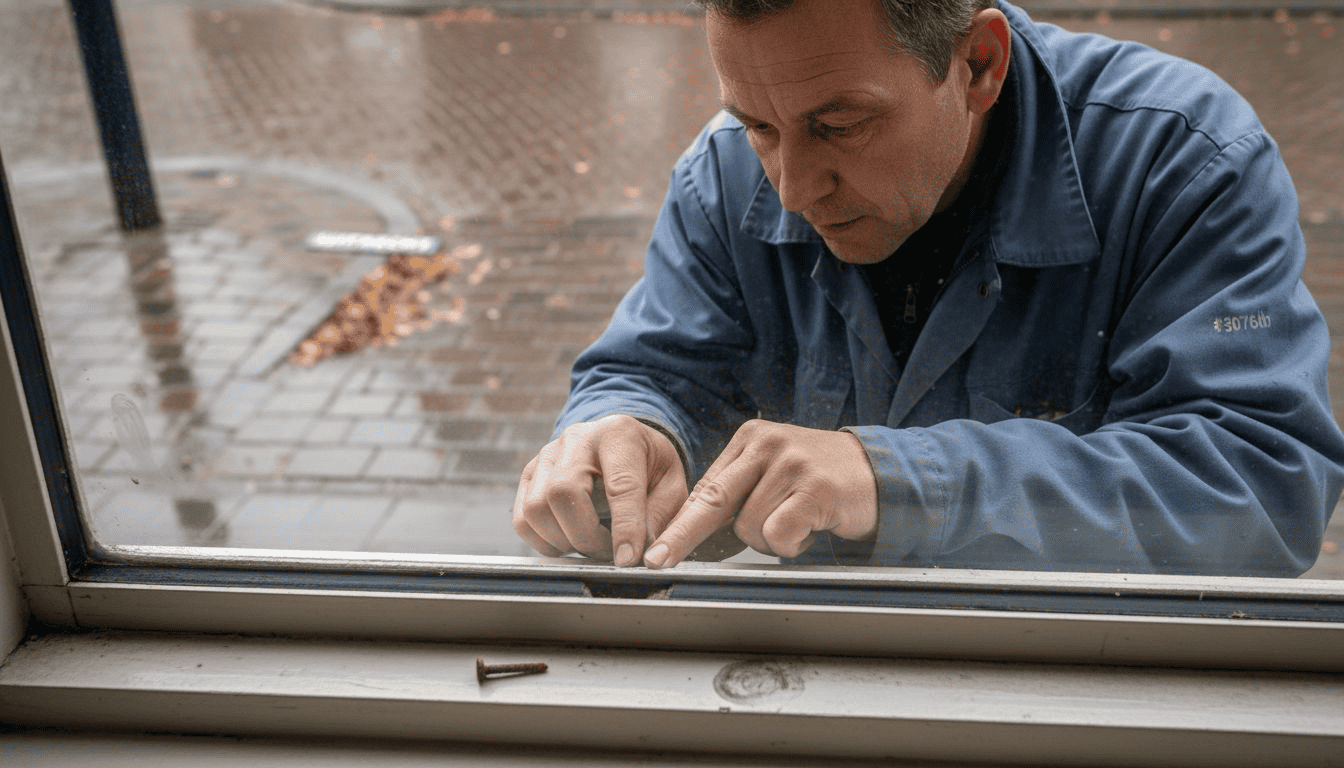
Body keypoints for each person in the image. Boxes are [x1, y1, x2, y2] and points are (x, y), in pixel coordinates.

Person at [511, 0, 1344, 576]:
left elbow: (1264, 485)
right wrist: (625, 431)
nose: (792, 187)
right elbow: (657, 373)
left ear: (978, 62)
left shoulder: (1182, 162)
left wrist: (903, 481)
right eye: (757, 123)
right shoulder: (724, 175)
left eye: (840, 126)